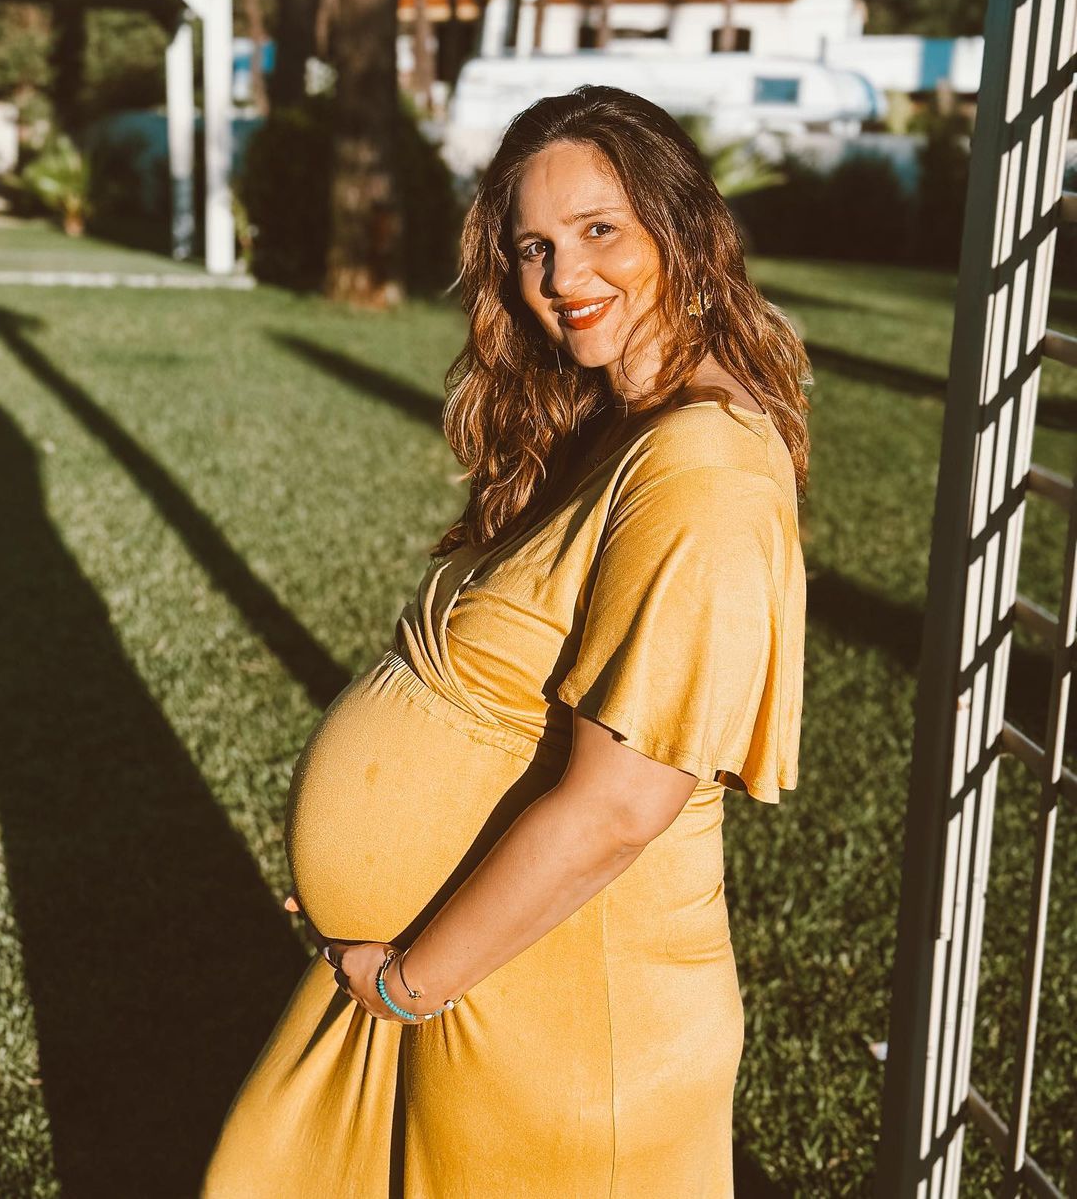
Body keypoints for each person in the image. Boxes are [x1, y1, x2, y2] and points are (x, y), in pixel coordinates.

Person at [203, 84, 811, 1198]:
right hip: (482, 976)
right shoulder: (617, 430)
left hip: (569, 1019)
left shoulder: (706, 473)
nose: (563, 280)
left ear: (682, 228)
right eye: (533, 246)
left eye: (599, 231)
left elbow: (619, 807)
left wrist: (405, 981)